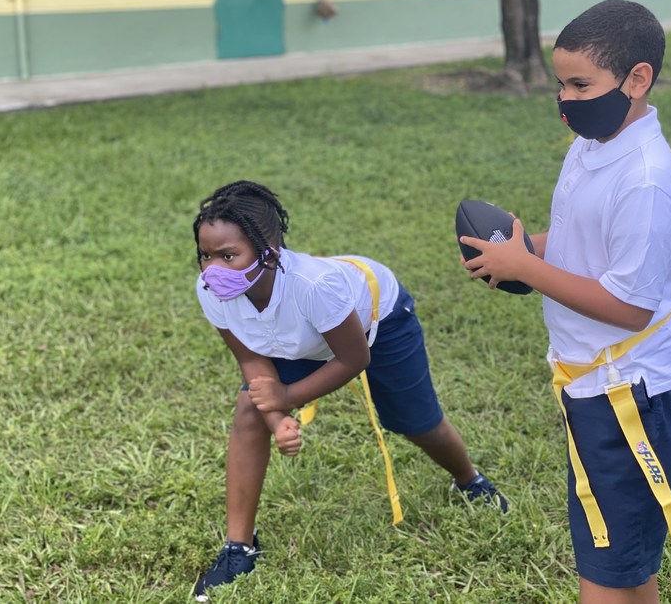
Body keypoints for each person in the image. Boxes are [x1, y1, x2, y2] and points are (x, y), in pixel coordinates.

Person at [459, 0, 671, 604]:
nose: (564, 99)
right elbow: (580, 243)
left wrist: (529, 269)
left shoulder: (645, 179)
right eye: (559, 83)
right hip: (594, 381)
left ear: (636, 79)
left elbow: (630, 306)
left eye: (579, 84)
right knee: (620, 558)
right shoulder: (593, 146)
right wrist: (522, 249)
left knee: (607, 570)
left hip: (631, 389)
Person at [192, 180, 507, 600]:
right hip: (304, 336)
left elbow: (354, 359)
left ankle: (470, 480)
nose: (214, 268)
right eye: (206, 255)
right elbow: (253, 364)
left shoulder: (315, 286)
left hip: (377, 322)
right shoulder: (212, 291)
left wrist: (288, 398)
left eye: (229, 255)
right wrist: (274, 415)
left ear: (269, 252)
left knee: (416, 423)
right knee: (249, 409)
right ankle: (239, 546)